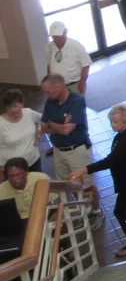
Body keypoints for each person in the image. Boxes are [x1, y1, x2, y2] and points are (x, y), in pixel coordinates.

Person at [71, 104, 126, 258]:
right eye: (111, 121)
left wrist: (85, 169)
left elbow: (110, 160)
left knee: (120, 211)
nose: (112, 125)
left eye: (115, 122)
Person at [40, 74, 102, 229]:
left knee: (86, 185)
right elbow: (43, 127)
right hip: (58, 151)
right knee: (68, 184)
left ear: (58, 87)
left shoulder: (76, 101)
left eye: (48, 91)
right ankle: (85, 209)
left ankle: (96, 211)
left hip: (77, 150)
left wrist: (51, 124)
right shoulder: (50, 103)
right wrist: (58, 125)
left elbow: (67, 130)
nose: (45, 95)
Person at [0, 90, 43, 176]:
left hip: (33, 160)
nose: (13, 110)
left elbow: (44, 118)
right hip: (13, 169)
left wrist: (39, 131)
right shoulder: (1, 123)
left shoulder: (28, 113)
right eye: (9, 107)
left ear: (22, 104)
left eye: (15, 106)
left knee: (39, 182)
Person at [46, 21, 91, 95]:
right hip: (57, 86)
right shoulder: (49, 47)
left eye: (59, 36)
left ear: (65, 32)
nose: (56, 39)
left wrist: (82, 83)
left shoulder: (76, 45)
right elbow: (49, 65)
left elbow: (86, 66)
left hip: (74, 85)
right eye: (54, 37)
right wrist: (49, 81)